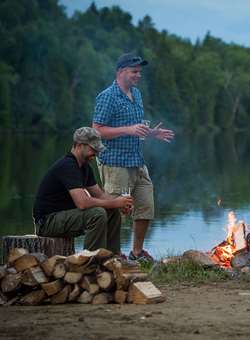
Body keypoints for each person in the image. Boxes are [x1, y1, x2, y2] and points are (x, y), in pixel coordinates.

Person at [92, 52, 174, 263]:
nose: (138, 75)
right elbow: (96, 130)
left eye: (139, 72)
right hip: (114, 163)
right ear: (121, 72)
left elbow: (137, 128)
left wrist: (152, 133)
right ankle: (111, 255)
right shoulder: (107, 96)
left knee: (146, 206)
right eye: (134, 71)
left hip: (137, 161)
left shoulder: (136, 94)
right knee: (115, 210)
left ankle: (136, 253)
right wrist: (128, 129)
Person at [32, 127, 133, 253]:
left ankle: (112, 257)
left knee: (112, 212)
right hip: (47, 223)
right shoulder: (68, 165)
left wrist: (120, 203)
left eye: (97, 150)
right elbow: (82, 203)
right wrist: (114, 203)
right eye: (93, 149)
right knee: (97, 214)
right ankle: (91, 261)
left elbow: (100, 195)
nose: (95, 153)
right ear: (79, 145)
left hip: (63, 218)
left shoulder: (84, 167)